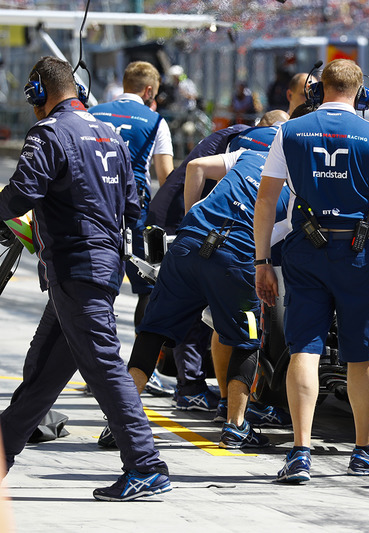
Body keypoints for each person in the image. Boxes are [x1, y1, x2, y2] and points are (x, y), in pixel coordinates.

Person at [0, 56, 170, 501]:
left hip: (76, 269)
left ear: (39, 91)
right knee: (41, 373)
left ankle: (146, 464)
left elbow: (21, 193)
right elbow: (134, 205)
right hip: (95, 268)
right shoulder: (110, 134)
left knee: (105, 368)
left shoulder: (50, 133)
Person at [254, 59, 369, 484]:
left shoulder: (289, 130)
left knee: (305, 347)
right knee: (362, 354)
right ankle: (364, 450)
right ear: (362, 94)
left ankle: (300, 452)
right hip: (358, 254)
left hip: (306, 249)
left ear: (317, 91)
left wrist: (262, 261)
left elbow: (266, 201)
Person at [98, 113, 291, 450]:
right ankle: (235, 426)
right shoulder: (298, 174)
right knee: (246, 340)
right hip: (237, 255)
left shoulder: (247, 153)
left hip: (190, 240)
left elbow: (195, 167)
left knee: (153, 331)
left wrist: (191, 218)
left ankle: (120, 423)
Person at [89, 61, 175, 329]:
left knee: (93, 282)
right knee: (149, 285)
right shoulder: (156, 122)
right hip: (133, 211)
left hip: (91, 204)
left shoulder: (93, 113)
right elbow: (166, 178)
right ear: (149, 91)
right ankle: (141, 364)